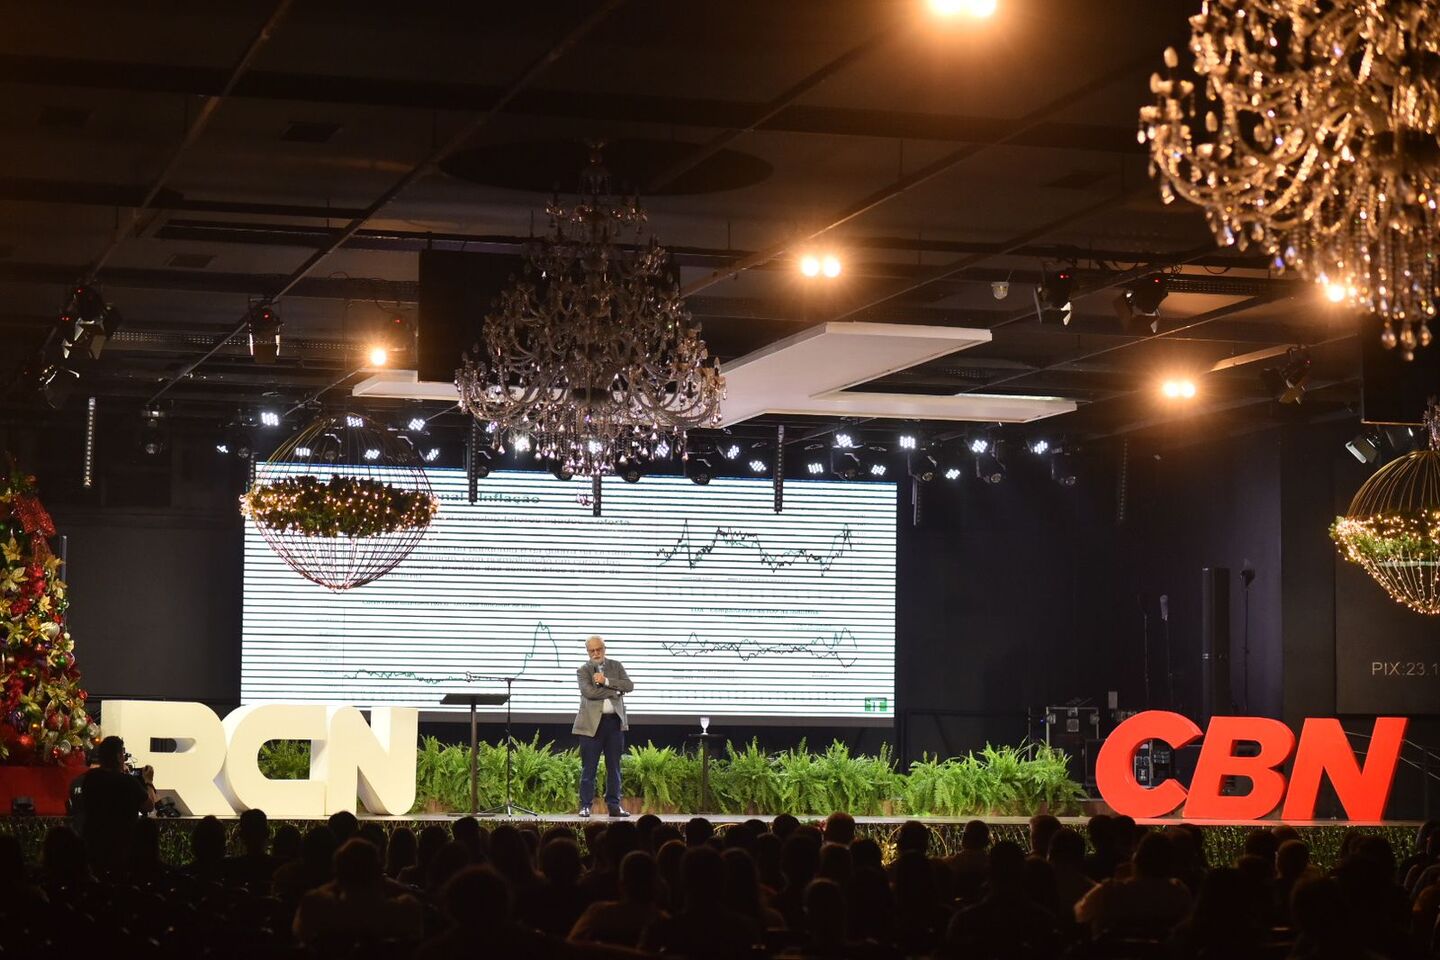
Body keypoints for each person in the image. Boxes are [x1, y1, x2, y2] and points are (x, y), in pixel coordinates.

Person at [572, 635, 633, 818]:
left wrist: (606, 681)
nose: (596, 653)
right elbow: (589, 692)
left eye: (599, 649)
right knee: (588, 768)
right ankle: (585, 806)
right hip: (591, 726)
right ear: (588, 652)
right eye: (592, 650)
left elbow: (629, 685)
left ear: (604, 649)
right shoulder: (583, 670)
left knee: (614, 767)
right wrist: (615, 691)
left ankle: (614, 805)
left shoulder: (616, 666)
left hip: (614, 723)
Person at [76, 735, 155, 871]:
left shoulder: (90, 779)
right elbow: (149, 805)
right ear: (119, 757)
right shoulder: (128, 782)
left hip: (93, 847)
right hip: (122, 849)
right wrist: (148, 781)